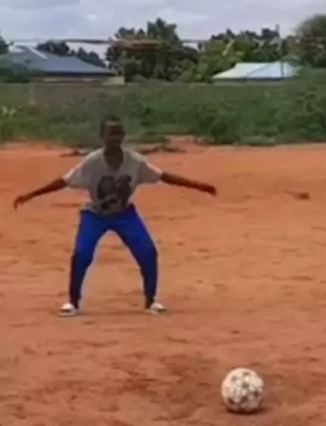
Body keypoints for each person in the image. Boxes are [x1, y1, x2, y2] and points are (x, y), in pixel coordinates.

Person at [13, 116, 217, 316]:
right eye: (111, 133)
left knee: (147, 252)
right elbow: (64, 181)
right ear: (102, 136)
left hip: (124, 214)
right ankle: (73, 302)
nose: (115, 138)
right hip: (95, 214)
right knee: (82, 254)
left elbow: (164, 176)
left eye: (118, 133)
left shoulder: (134, 161)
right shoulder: (93, 161)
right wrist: (32, 194)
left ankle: (151, 300)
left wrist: (198, 185)